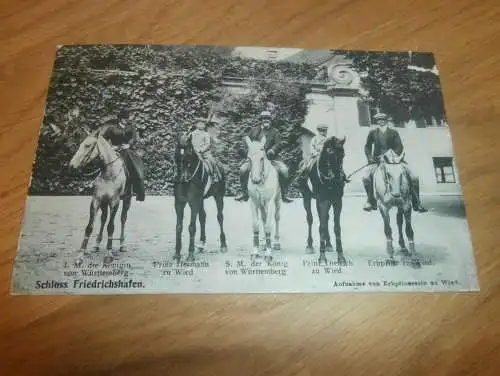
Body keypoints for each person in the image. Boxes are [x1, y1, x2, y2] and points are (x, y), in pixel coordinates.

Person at [362, 112, 427, 212]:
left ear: (386, 121)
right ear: (377, 121)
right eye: (379, 120)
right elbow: (367, 147)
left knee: (414, 176)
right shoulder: (373, 133)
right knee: (366, 177)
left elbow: (399, 146)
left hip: (394, 160)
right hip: (378, 161)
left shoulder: (393, 132)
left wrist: (392, 155)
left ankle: (416, 202)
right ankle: (370, 201)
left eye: (383, 119)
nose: (381, 121)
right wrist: (370, 158)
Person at [235, 110, 293, 203]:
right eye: (264, 119)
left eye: (268, 118)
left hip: (271, 158)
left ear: (271, 120)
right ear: (261, 120)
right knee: (242, 169)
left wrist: (273, 150)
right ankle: (244, 193)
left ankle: (284, 194)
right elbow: (246, 142)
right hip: (255, 158)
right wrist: (249, 152)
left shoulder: (275, 131)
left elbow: (279, 144)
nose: (266, 120)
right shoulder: (253, 130)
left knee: (284, 170)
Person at [102, 109, 145, 201]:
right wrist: (111, 147)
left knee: (136, 167)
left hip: (127, 151)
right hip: (114, 150)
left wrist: (128, 145)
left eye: (127, 118)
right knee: (103, 162)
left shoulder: (131, 128)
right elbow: (104, 140)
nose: (126, 120)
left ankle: (137, 190)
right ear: (120, 119)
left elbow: (133, 138)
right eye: (124, 118)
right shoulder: (112, 128)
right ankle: (100, 183)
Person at [190, 118, 223, 182]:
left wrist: (201, 150)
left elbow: (208, 144)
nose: (202, 125)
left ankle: (214, 175)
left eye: (203, 124)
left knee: (212, 160)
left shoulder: (206, 134)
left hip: (204, 153)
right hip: (193, 152)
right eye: (200, 123)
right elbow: (189, 142)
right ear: (196, 124)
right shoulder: (192, 134)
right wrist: (193, 149)